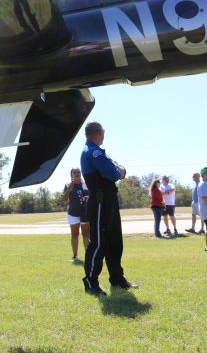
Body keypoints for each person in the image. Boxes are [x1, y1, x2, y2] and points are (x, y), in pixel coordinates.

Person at [80, 122, 136, 296]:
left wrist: (119, 170)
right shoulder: (93, 152)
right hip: (99, 203)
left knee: (114, 242)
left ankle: (117, 279)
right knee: (98, 243)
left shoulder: (99, 152)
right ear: (98, 133)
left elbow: (121, 170)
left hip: (109, 202)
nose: (104, 135)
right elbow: (114, 173)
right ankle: (90, 282)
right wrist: (118, 171)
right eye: (103, 132)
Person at [62, 168, 90, 262]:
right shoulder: (67, 185)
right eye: (74, 172)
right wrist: (71, 185)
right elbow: (64, 199)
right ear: (71, 175)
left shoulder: (86, 184)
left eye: (78, 172)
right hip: (73, 214)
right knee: (75, 234)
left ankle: (88, 255)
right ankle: (75, 256)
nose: (77, 173)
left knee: (86, 234)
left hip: (85, 213)